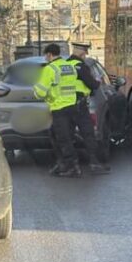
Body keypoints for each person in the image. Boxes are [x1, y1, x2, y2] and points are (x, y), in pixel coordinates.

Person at [33, 43, 81, 178]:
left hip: (59, 108)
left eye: (45, 56)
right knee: (63, 137)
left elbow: (41, 92)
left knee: (62, 139)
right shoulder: (70, 67)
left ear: (49, 54)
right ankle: (63, 164)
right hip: (72, 107)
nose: (45, 58)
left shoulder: (50, 69)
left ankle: (72, 167)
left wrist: (36, 91)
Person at [68, 42, 111, 174]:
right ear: (81, 52)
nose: (85, 56)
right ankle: (94, 163)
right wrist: (98, 81)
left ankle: (70, 166)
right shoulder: (81, 66)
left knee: (67, 136)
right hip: (80, 105)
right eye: (85, 53)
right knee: (88, 134)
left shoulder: (65, 65)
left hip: (65, 105)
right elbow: (92, 84)